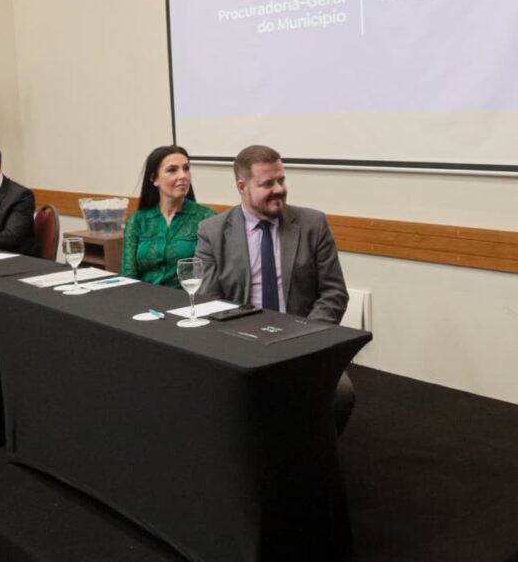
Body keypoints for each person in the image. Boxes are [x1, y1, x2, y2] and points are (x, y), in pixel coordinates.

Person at [195, 145, 354, 432]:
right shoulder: (213, 231)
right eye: (267, 183)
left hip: (302, 342)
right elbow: (210, 302)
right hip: (240, 344)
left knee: (340, 395)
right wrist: (243, 343)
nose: (279, 189)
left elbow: (334, 293)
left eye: (281, 180)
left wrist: (304, 337)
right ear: (242, 187)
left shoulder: (312, 224)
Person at [121, 145, 216, 288]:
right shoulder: (137, 221)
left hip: (188, 297)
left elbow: (210, 277)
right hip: (143, 298)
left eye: (186, 168)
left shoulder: (207, 219)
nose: (183, 176)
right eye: (172, 170)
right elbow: (128, 276)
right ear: (154, 178)